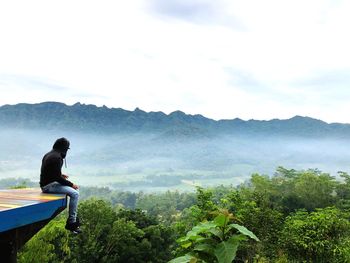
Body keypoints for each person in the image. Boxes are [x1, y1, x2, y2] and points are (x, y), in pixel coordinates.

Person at [40, 137, 82, 234]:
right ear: (65, 148)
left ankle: (73, 218)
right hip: (49, 186)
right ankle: (72, 223)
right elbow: (57, 178)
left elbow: (50, 172)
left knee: (75, 192)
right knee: (75, 193)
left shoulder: (49, 154)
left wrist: (60, 174)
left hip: (46, 184)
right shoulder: (57, 158)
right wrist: (71, 184)